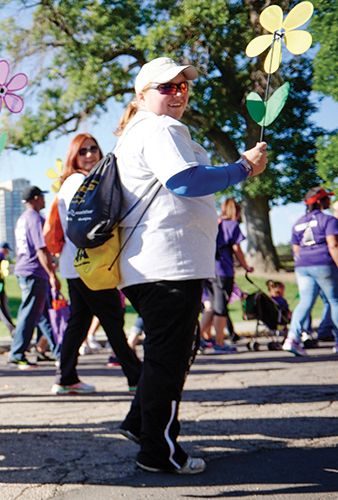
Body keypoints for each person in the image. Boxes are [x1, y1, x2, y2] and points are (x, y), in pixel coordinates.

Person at [113, 57, 268, 474]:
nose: (178, 92)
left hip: (152, 263)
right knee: (170, 357)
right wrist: (243, 168)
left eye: (183, 86)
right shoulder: (160, 128)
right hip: (169, 263)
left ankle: (140, 423)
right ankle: (158, 451)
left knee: (169, 352)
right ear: (142, 95)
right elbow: (184, 180)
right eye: (167, 87)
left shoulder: (136, 132)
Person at [54, 134, 142, 394]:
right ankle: (136, 376)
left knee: (79, 321)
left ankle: (66, 378)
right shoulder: (77, 181)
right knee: (112, 318)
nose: (90, 154)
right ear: (73, 157)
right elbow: (86, 225)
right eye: (83, 151)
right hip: (88, 267)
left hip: (78, 266)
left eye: (94, 149)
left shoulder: (82, 181)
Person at [7, 186, 60, 369]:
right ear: (36, 198)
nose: (44, 201)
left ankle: (59, 351)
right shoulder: (35, 218)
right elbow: (41, 248)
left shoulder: (22, 218)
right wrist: (52, 274)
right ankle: (16, 354)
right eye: (42, 197)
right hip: (34, 271)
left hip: (26, 269)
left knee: (43, 314)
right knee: (29, 313)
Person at [282, 186, 338, 356]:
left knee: (305, 302)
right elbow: (333, 245)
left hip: (303, 265)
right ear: (320, 201)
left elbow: (296, 250)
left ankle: (291, 339)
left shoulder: (298, 222)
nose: (329, 201)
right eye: (327, 198)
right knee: (335, 300)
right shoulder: (328, 220)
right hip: (324, 263)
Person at [199, 198, 253, 354]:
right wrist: (245, 266)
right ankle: (219, 343)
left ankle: (197, 340)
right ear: (236, 211)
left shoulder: (213, 222)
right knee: (221, 308)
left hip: (207, 269)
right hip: (223, 270)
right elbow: (237, 249)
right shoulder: (232, 225)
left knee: (211, 307)